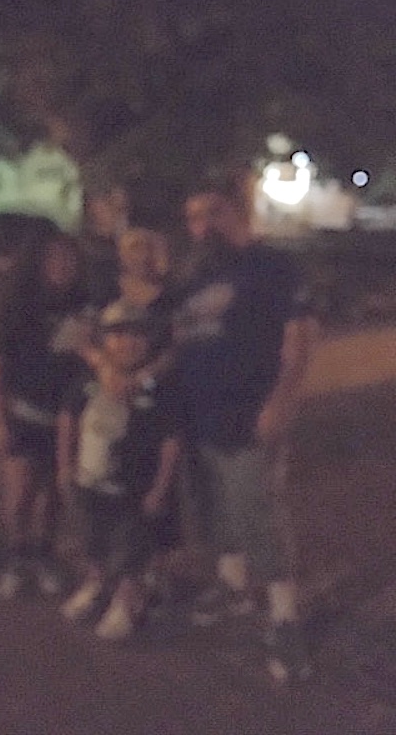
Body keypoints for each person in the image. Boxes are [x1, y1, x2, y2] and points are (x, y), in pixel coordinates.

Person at [172, 185, 317, 682]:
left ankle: (284, 616)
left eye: (213, 212)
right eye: (194, 216)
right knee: (214, 508)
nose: (203, 224)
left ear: (238, 212)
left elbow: (299, 339)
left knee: (258, 512)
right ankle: (233, 589)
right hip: (197, 415)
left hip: (249, 412)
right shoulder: (194, 275)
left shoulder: (272, 267)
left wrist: (281, 401)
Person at [56, 300, 181, 640]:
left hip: (134, 488)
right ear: (104, 340)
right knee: (91, 538)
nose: (127, 342)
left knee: (130, 548)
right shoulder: (88, 381)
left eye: (137, 335)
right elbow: (68, 420)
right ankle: (97, 583)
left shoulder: (157, 388)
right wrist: (64, 465)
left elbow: (171, 442)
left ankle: (127, 600)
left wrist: (160, 488)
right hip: (90, 482)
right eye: (118, 335)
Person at [0, 231, 92, 599]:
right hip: (24, 411)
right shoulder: (16, 307)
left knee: (53, 494)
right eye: (54, 258)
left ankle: (45, 556)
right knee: (20, 493)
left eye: (69, 258)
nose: (62, 265)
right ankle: (17, 559)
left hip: (66, 415)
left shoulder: (83, 303)